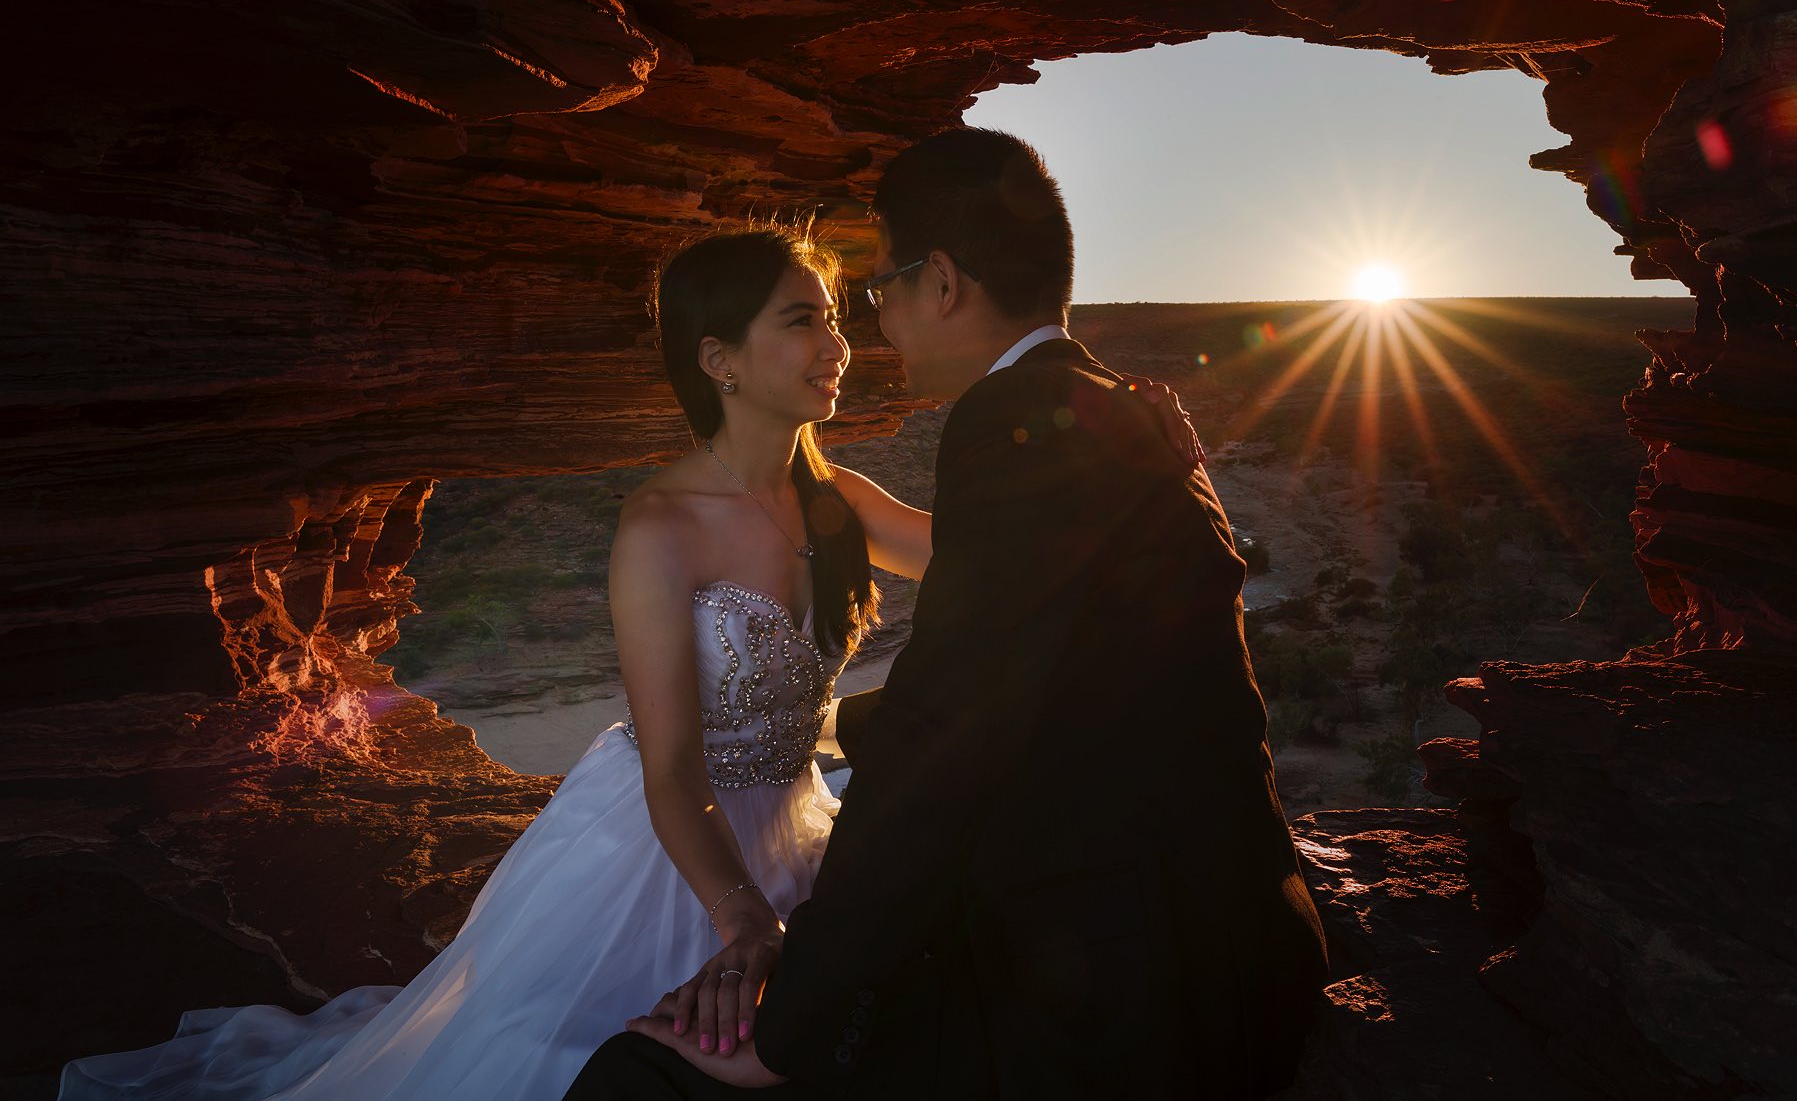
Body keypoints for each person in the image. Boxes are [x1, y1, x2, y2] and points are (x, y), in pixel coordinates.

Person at [57, 228, 939, 1100]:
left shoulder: (842, 500)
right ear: (720, 358)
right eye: (802, 321)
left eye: (835, 320)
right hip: (667, 855)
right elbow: (671, 769)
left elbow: (991, 558)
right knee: (564, 1062)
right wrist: (743, 915)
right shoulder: (661, 526)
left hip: (799, 820)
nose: (837, 346)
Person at [567, 128, 1330, 1101]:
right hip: (1226, 922)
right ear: (718, 359)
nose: (867, 333)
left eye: (874, 293)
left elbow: (947, 736)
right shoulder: (1118, 405)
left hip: (1132, 973)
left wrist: (792, 1026)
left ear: (944, 285)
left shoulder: (1011, 429)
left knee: (639, 1079)